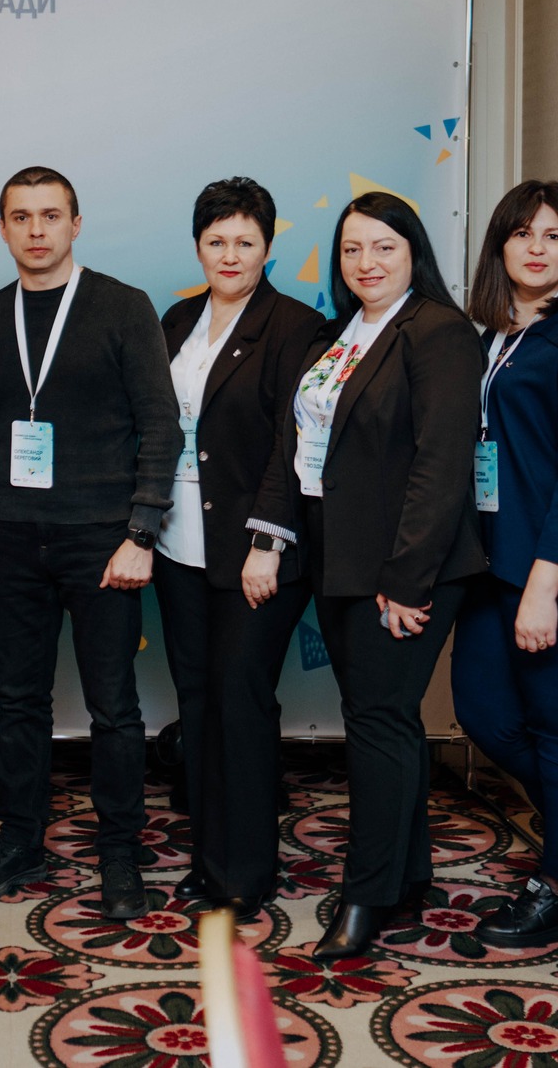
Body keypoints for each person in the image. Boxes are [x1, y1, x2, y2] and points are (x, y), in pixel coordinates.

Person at [244, 190, 485, 961]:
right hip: (337, 557)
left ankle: (367, 894)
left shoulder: (439, 331)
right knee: (385, 718)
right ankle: (406, 874)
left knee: (377, 720)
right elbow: (295, 445)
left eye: (384, 246)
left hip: (405, 564)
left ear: (414, 251)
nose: (366, 262)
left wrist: (408, 579)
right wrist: (273, 538)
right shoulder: (340, 334)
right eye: (352, 248)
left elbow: (441, 466)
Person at [0, 166, 182, 920]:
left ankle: (119, 852)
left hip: (102, 542)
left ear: (75, 224)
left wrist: (141, 531)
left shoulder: (123, 306)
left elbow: (162, 425)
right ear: (3, 229)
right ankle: (21, 841)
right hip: (12, 542)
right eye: (21, 216)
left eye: (50, 215)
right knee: (18, 701)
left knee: (113, 706)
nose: (36, 230)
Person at [451, 181, 558, 947]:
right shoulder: (491, 336)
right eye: (523, 232)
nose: (537, 247)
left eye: (555, 235)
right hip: (492, 563)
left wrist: (545, 584)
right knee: (484, 712)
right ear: (500, 245)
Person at [151, 178, 321, 916]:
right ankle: (209, 859)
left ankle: (246, 870)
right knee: (197, 702)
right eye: (216, 240)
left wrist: (268, 540)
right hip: (178, 543)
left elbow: (295, 442)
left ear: (267, 248)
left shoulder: (297, 327)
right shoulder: (178, 319)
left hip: (256, 550)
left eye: (245, 241)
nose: (230, 254)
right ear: (198, 246)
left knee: (241, 702)